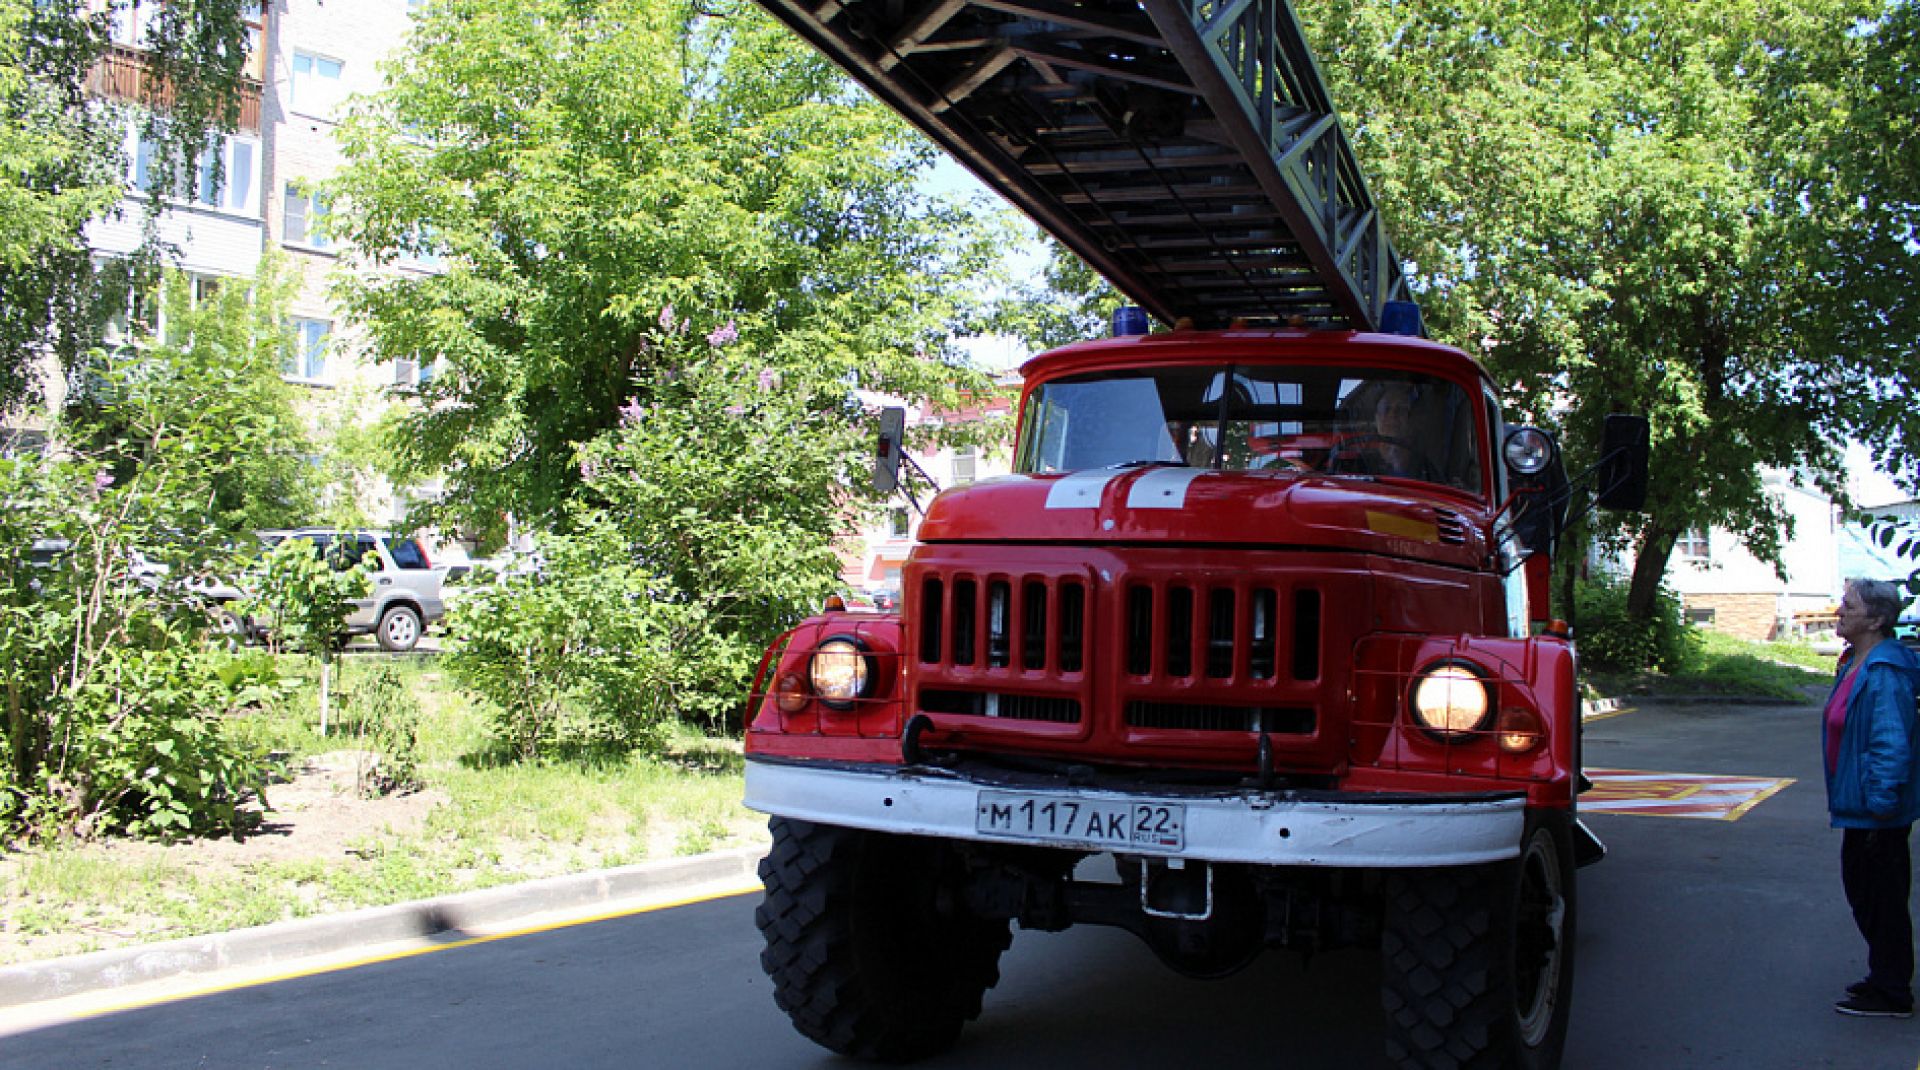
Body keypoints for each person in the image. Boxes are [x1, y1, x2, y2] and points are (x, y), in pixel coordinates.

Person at [1825, 577, 1920, 1017]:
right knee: (1867, 894)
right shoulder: (1855, 662)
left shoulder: (1883, 672)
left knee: (1881, 898)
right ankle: (1884, 975)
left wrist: (1882, 806)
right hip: (1862, 807)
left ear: (1877, 619)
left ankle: (1892, 991)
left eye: (1849, 605)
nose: (1839, 611)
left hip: (1876, 811)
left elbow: (1890, 741)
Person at [1330, 381, 1435, 480]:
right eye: (1386, 409)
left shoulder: (1426, 470)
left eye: (1401, 410)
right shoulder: (1358, 467)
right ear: (1376, 419)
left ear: (1411, 420)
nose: (1392, 416)